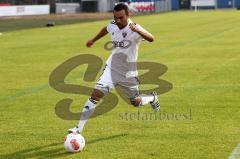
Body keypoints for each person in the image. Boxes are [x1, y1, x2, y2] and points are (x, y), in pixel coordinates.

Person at [68, 3, 159, 134]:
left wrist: (138, 30)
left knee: (135, 102)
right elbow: (105, 29)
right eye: (116, 17)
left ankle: (152, 98)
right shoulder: (113, 25)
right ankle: (78, 129)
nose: (118, 20)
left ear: (128, 15)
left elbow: (151, 38)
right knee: (96, 94)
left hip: (128, 72)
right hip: (112, 67)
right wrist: (93, 40)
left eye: (121, 17)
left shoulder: (135, 28)